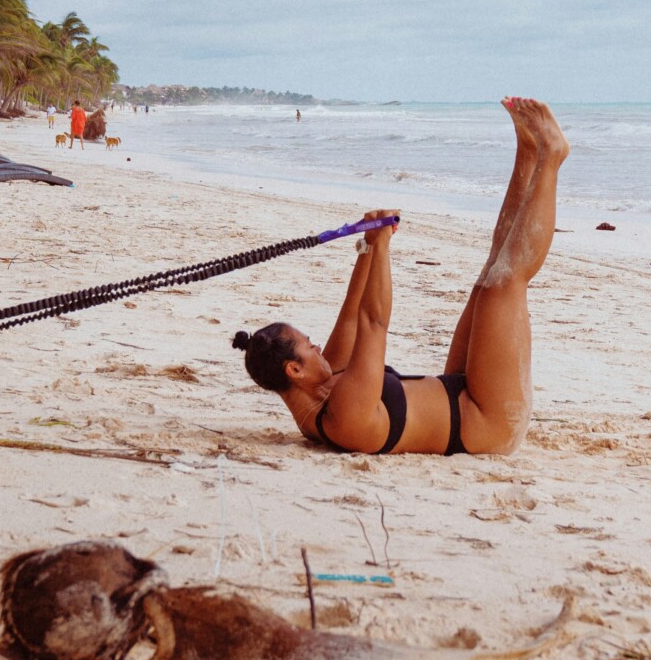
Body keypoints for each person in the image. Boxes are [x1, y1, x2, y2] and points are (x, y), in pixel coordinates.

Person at [232, 97, 567, 457]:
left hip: (462, 391)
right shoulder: (344, 417)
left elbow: (351, 314)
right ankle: (552, 156)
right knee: (502, 287)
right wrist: (385, 247)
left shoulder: (323, 383)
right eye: (308, 345)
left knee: (487, 279)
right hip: (488, 422)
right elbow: (373, 322)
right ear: (294, 369)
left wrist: (368, 242)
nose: (316, 347)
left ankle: (527, 152)